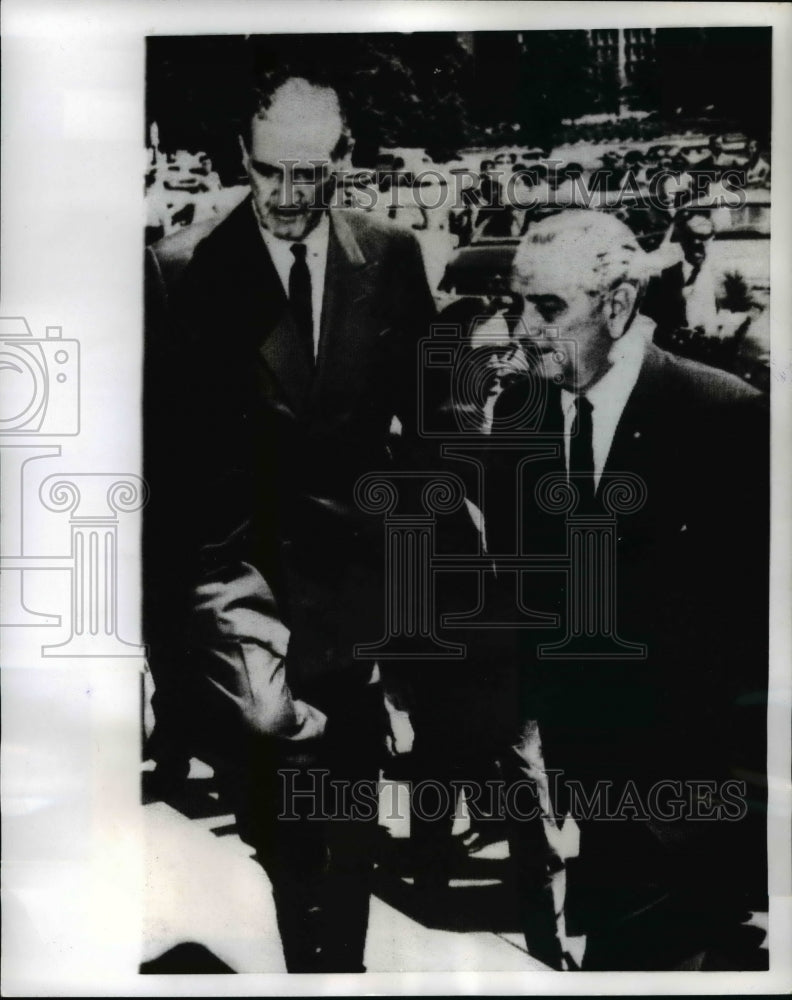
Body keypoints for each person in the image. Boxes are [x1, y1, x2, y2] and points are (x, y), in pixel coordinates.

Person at [144, 67, 435, 972]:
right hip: (243, 597)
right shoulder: (182, 270)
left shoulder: (389, 256)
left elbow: (425, 443)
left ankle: (333, 976)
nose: (288, 195)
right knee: (281, 837)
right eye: (271, 172)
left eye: (311, 174)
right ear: (243, 159)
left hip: (353, 604)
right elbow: (167, 473)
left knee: (347, 839)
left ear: (345, 162)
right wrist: (175, 651)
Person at [485, 209, 768, 970]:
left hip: (692, 810)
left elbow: (756, 639)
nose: (523, 327)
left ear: (617, 305)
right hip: (583, 800)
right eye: (517, 303)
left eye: (548, 308)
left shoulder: (724, 418)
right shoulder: (518, 421)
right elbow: (524, 606)